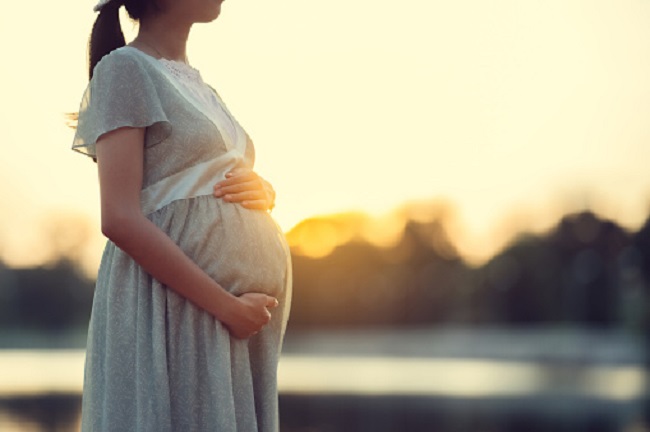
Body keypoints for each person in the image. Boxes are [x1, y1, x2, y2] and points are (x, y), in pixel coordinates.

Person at [72, 0, 292, 430]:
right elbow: (118, 216)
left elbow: (201, 176)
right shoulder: (125, 69)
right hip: (178, 308)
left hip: (228, 322)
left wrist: (263, 190)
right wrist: (226, 307)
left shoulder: (200, 85)